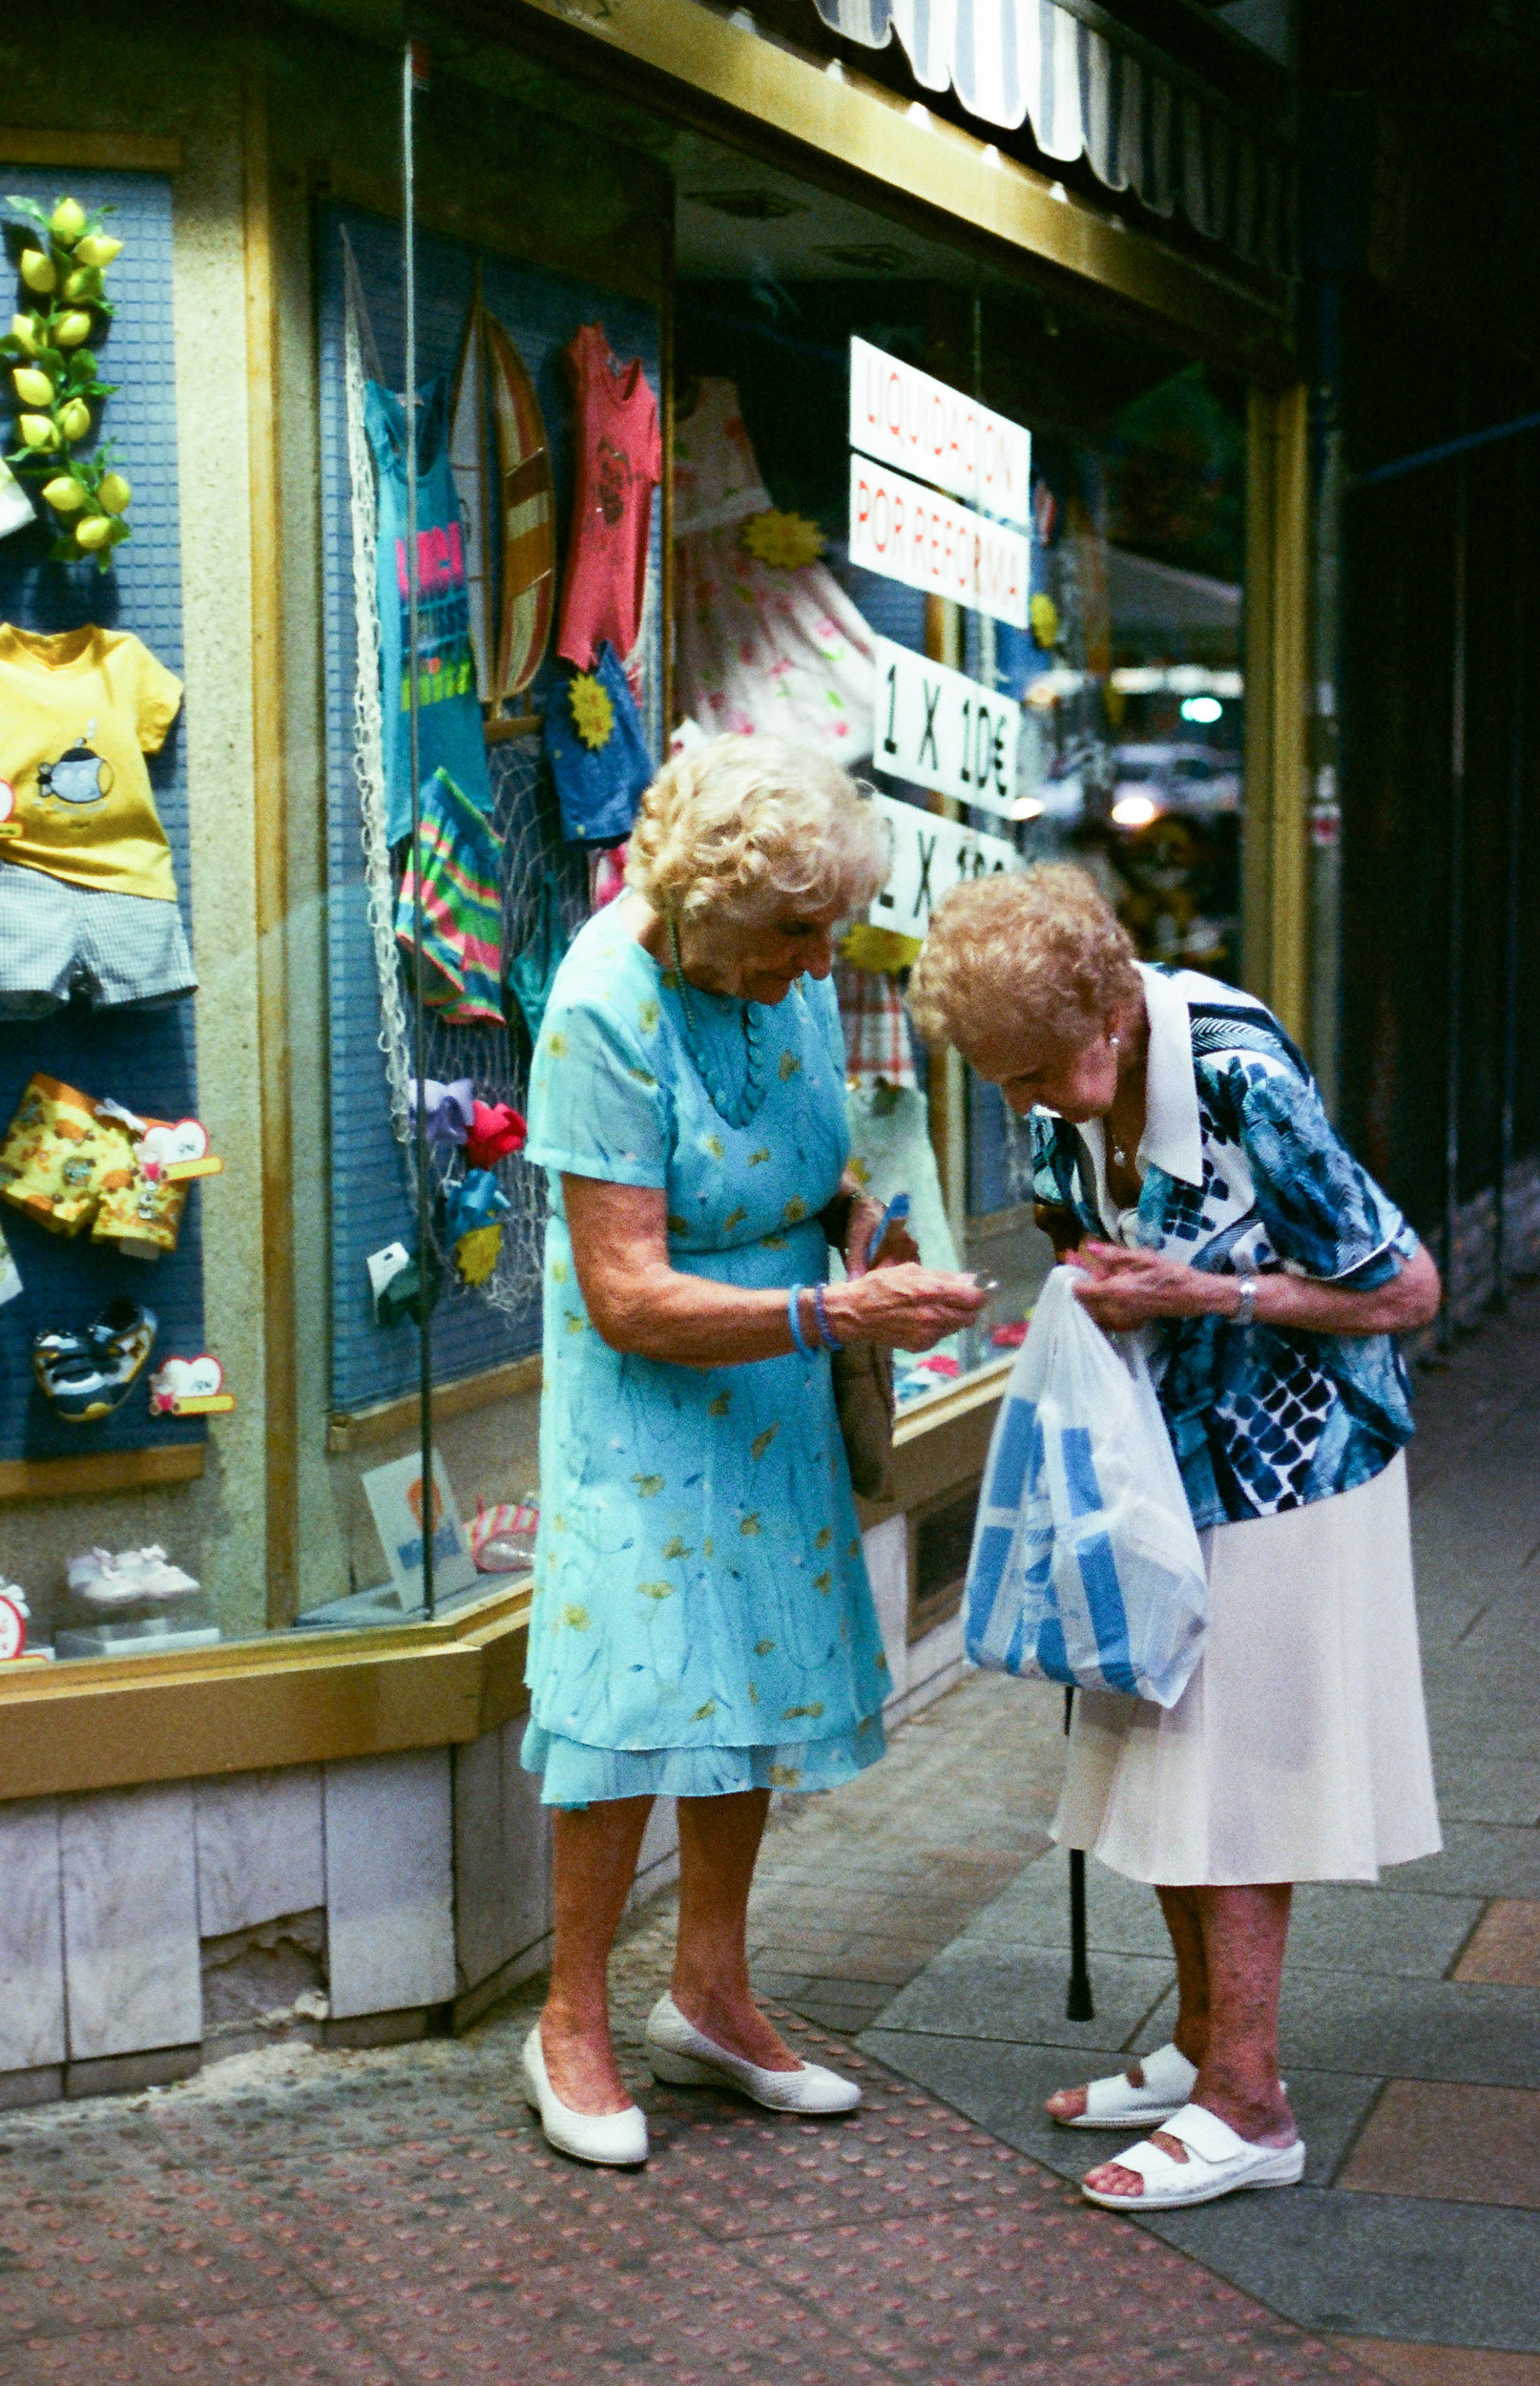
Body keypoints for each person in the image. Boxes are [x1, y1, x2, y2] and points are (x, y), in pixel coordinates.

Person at [905, 863, 1443, 2213]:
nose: (1024, 1101)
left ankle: (1251, 2105)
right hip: (1162, 1463)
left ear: (1109, 1012)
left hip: (1294, 1462)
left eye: (1038, 1071)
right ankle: (1205, 2046)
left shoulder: (1237, 1076)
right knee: (1154, 1749)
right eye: (1002, 1080)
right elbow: (1082, 1238)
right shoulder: (1056, 1095)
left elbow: (1406, 1288)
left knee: (1232, 1778)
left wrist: (1207, 1293)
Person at [520, 735, 986, 2166]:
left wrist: (858, 1222)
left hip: (774, 1386)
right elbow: (626, 1295)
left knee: (749, 1675)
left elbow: (810, 1154)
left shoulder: (779, 968)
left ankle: (710, 1995)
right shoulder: (601, 1008)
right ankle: (569, 2021)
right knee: (629, 1694)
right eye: (797, 934)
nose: (821, 959)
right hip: (649, 1397)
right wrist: (834, 1310)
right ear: (709, 907)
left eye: (831, 928)